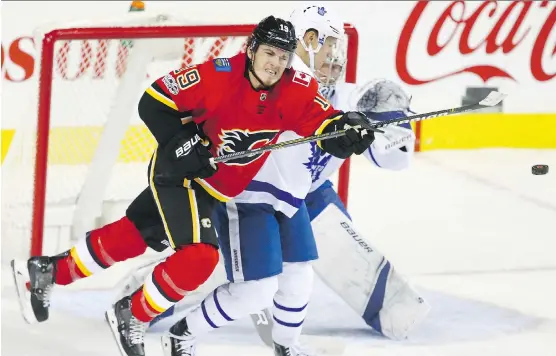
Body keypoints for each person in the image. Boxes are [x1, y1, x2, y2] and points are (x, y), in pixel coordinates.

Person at [10, 15, 376, 356]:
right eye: (268, 53)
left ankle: (48, 271)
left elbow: (325, 124)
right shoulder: (216, 76)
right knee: (201, 255)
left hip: (214, 189)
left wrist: (348, 132)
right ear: (251, 50)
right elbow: (153, 101)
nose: (275, 64)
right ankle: (133, 313)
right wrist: (183, 143)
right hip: (180, 176)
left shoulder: (294, 89)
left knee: (134, 235)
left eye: (282, 56)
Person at [157, 7, 428, 355]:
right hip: (249, 197)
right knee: (255, 291)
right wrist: (338, 130)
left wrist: (372, 126)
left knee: (299, 278)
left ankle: (286, 347)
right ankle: (183, 334)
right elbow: (304, 108)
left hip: (289, 198)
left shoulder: (317, 87)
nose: (336, 55)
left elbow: (386, 154)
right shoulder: (283, 80)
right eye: (329, 43)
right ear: (309, 40)